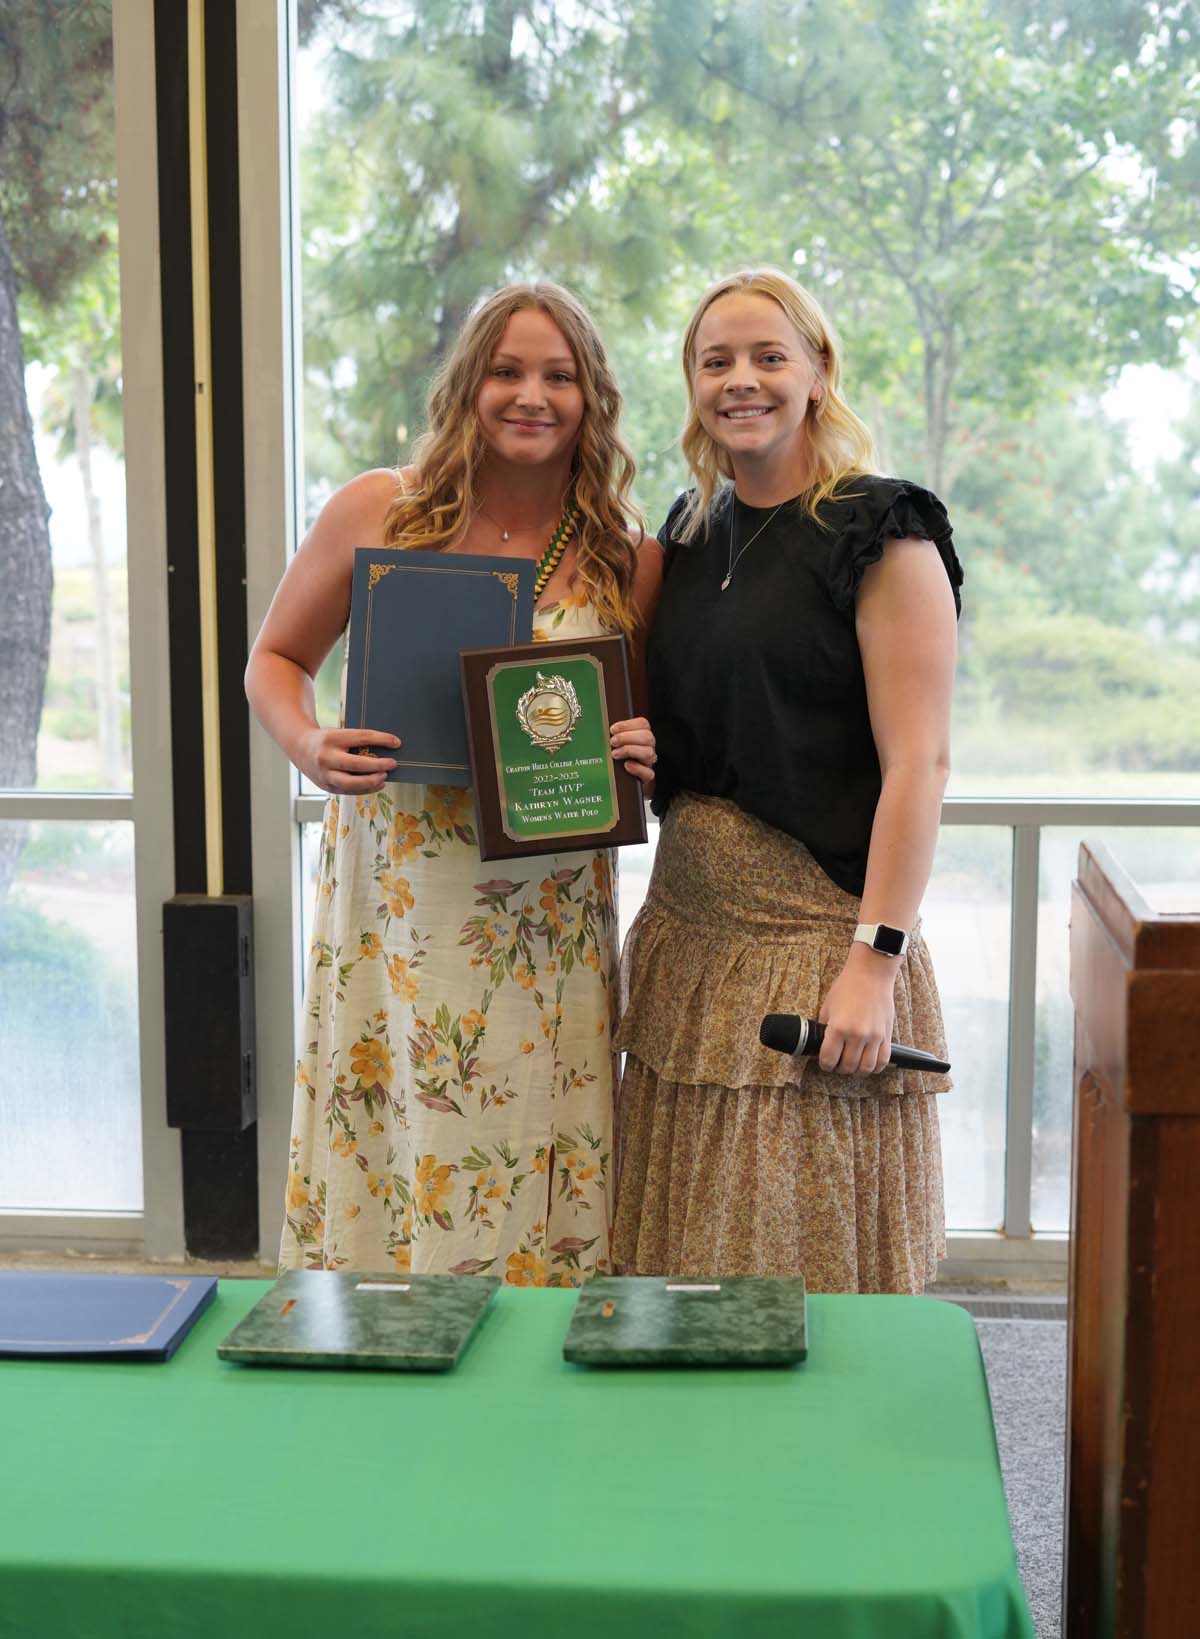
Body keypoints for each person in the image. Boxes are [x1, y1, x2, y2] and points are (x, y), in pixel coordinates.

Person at [246, 281, 661, 1285]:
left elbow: (628, 728)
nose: (532, 395)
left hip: (544, 908)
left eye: (558, 376)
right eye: (507, 371)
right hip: (400, 895)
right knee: (401, 1129)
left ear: (592, 396)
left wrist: (643, 748)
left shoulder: (627, 555)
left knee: (525, 1134)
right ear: (468, 383)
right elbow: (276, 662)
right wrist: (308, 743)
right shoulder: (380, 508)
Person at [612, 267, 962, 1294]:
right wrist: (644, 752)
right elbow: (720, 730)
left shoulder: (880, 530)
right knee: (681, 1279)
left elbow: (919, 765)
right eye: (715, 360)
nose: (741, 380)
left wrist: (875, 963)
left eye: (770, 356)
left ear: (818, 373)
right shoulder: (687, 530)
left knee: (802, 1279)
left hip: (812, 954)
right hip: (687, 950)